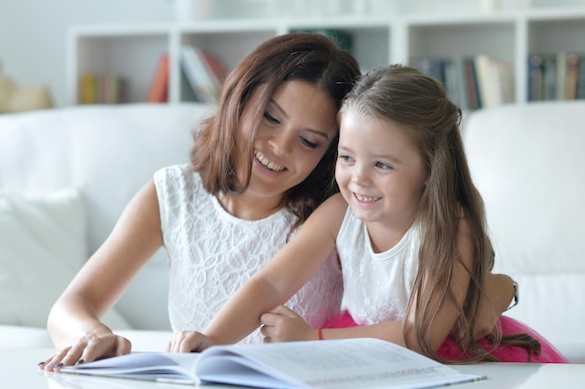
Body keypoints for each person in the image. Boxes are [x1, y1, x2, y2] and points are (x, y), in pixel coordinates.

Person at [41, 35, 515, 370]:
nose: (279, 149)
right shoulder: (173, 196)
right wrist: (92, 335)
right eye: (270, 116)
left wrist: (486, 293)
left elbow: (421, 310)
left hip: (324, 376)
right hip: (214, 381)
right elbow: (71, 306)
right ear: (240, 97)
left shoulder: (347, 203)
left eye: (310, 141)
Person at [168, 64, 567, 363]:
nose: (358, 179)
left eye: (382, 165)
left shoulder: (448, 227)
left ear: (429, 171)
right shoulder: (341, 211)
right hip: (360, 347)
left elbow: (420, 337)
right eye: (346, 157)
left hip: (441, 356)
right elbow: (271, 283)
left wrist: (313, 340)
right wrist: (214, 338)